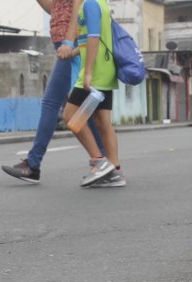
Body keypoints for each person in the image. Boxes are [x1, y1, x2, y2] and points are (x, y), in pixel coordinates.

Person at [0, 0, 104, 185]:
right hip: (66, 45)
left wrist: (68, 42)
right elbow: (55, 9)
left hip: (70, 46)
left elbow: (76, 10)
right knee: (81, 110)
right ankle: (106, 164)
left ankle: (33, 165)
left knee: (58, 105)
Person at [62, 0, 122, 187]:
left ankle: (99, 162)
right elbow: (88, 40)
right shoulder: (100, 3)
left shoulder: (90, 4)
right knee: (102, 122)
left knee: (70, 116)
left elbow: (93, 38)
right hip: (104, 68)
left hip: (95, 72)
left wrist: (87, 72)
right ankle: (114, 171)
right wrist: (73, 52)